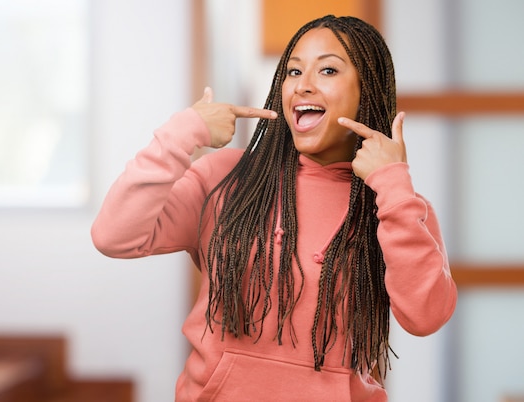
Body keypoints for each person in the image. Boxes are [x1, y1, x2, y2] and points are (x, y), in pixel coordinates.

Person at [91, 15, 457, 401]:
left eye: (328, 69)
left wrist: (393, 186)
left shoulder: (395, 205)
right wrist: (182, 133)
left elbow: (425, 316)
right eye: (294, 71)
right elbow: (113, 235)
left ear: (367, 91)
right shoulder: (227, 178)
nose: (303, 85)